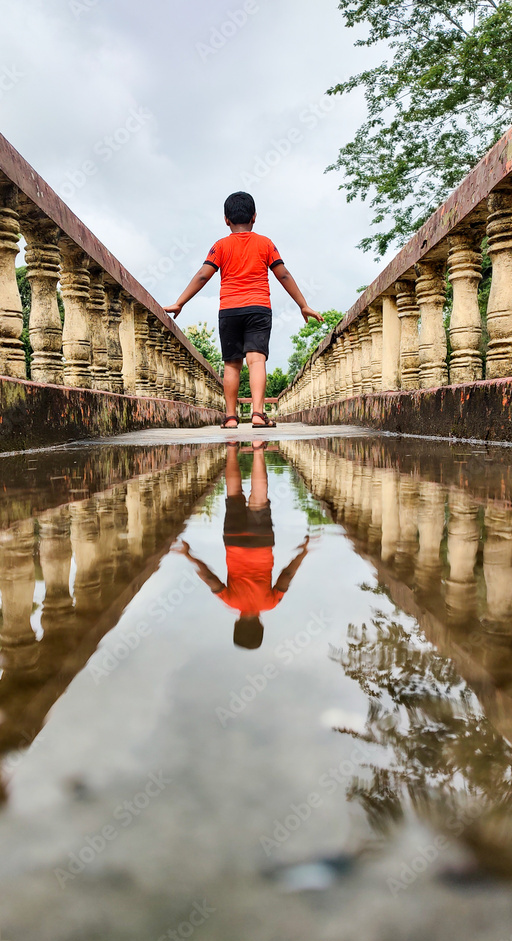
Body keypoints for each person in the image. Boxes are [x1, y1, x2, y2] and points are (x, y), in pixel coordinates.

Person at [164, 191, 323, 429]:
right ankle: (258, 414)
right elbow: (284, 274)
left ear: (226, 219)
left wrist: (180, 302)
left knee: (232, 364)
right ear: (255, 217)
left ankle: (230, 418)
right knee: (256, 361)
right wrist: (303, 304)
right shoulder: (265, 244)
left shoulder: (220, 246)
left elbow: (202, 276)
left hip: (230, 309)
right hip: (258, 308)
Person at [174, 442, 309, 649]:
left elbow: (287, 576)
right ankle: (231, 449)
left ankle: (258, 451)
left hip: (261, 543)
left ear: (260, 626)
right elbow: (209, 578)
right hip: (234, 540)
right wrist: (188, 554)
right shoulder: (231, 601)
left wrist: (303, 552)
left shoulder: (270, 603)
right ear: (237, 624)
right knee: (233, 493)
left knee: (259, 499)